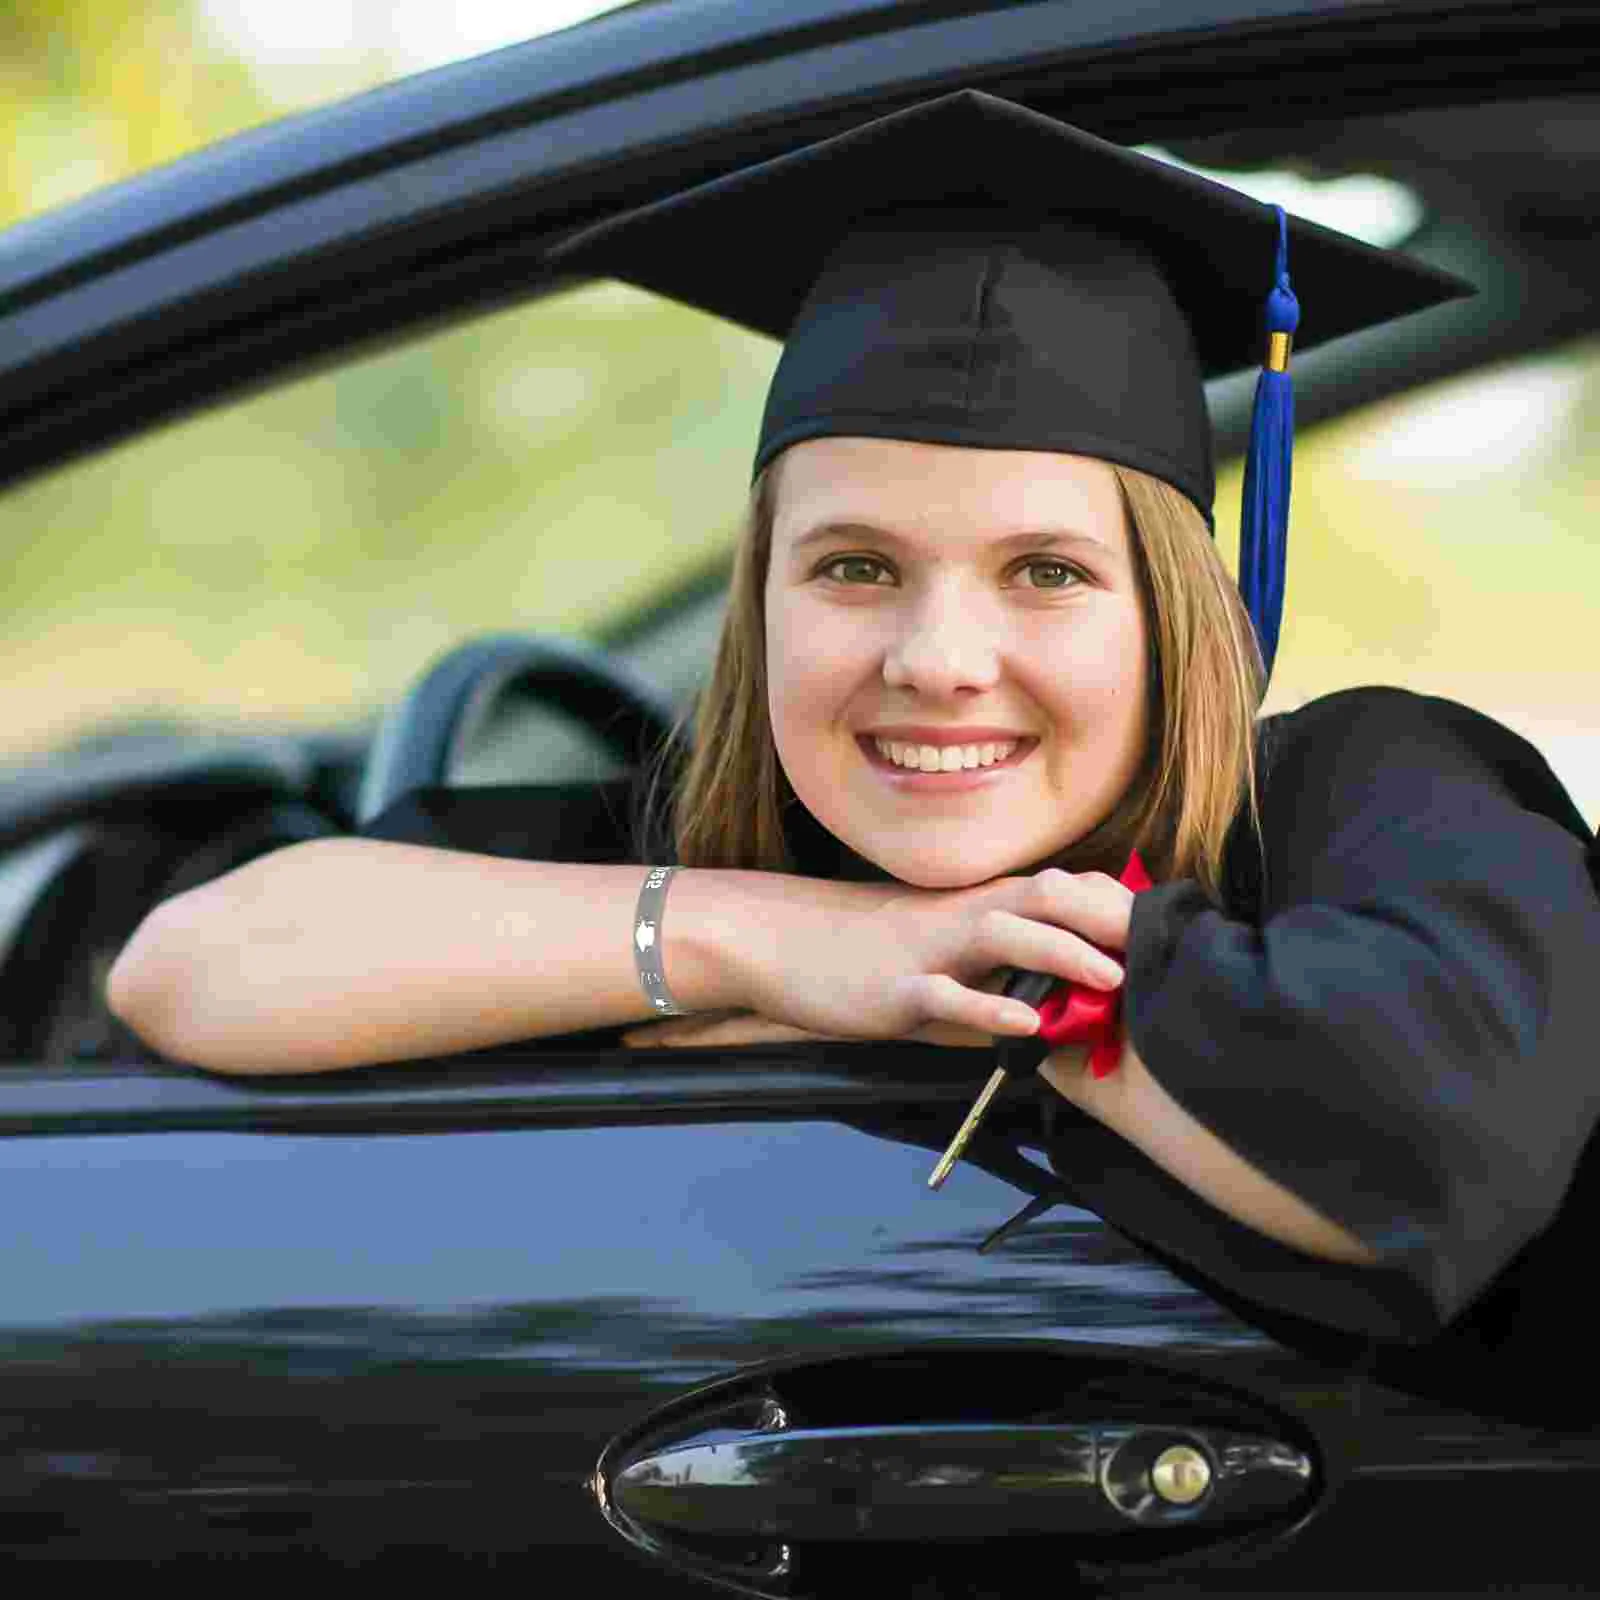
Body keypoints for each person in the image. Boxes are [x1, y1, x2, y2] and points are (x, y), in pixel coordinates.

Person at [107, 92, 1599, 1368]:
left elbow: (1431, 1142)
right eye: (856, 567)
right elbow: (194, 966)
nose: (939, 661)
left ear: (1176, 612)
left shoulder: (1363, 791)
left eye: (1048, 574)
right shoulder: (680, 848)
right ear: (763, 601)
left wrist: (977, 977)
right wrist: (776, 938)